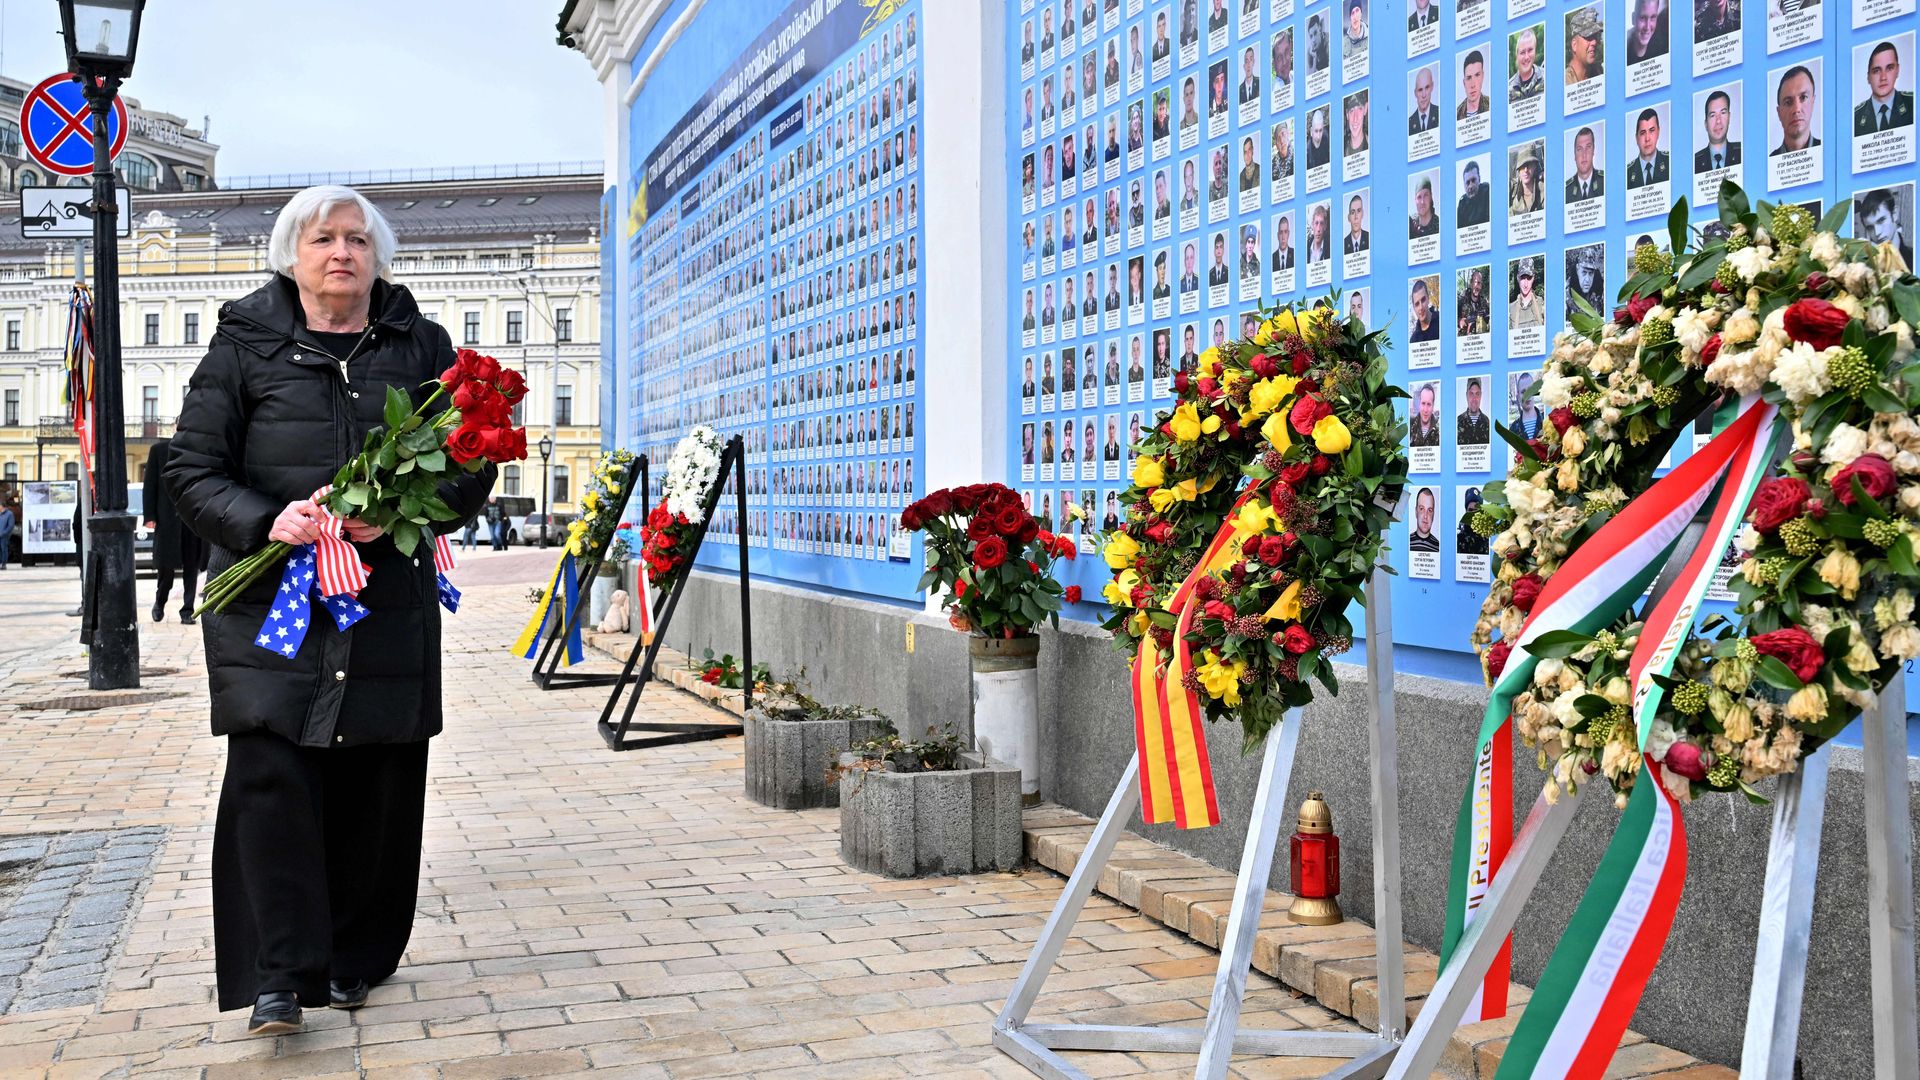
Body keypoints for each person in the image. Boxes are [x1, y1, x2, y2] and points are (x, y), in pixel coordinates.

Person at [166, 186, 495, 1036]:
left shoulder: (421, 345)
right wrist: (264, 521)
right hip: (272, 599)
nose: (341, 252)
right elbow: (190, 470)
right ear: (293, 254)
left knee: (375, 785)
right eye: (324, 239)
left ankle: (354, 958)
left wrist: (402, 514)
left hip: (383, 601)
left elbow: (471, 462)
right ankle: (278, 976)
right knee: (271, 782)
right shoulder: (243, 345)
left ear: (377, 257)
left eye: (357, 239)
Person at [143, 433, 207, 624]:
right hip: (167, 520)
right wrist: (150, 516)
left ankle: (187, 610)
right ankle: (159, 602)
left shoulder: (199, 450)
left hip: (191, 519)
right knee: (166, 569)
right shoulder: (159, 451)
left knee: (191, 566)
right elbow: (150, 484)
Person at [1855, 42, 1913, 135]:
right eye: (1876, 71)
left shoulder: (1913, 103)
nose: (1883, 77)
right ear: (1868, 77)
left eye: (1889, 68)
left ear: (1897, 70)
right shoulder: (1855, 117)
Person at [1772, 65, 1820, 155]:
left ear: (1813, 102)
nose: (1796, 109)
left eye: (1803, 97)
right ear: (1779, 113)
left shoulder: (1827, 150)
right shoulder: (1768, 162)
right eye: (1788, 102)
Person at [1695, 90, 1741, 171]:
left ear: (1729, 117)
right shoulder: (1695, 162)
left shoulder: (1742, 152)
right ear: (1706, 124)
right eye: (1713, 115)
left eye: (1723, 113)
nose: (1718, 121)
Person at [1627, 107, 1669, 187]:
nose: (1647, 138)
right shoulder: (1627, 173)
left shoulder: (1669, 161)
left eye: (1652, 130)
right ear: (1636, 138)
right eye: (1643, 133)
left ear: (1658, 132)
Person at [1567, 126, 1605, 199]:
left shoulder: (1604, 181)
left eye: (1588, 147)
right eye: (1579, 149)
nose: (1584, 154)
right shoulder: (1566, 191)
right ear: (1575, 154)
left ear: (1593, 150)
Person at [1626, 0, 1667, 64]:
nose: (1647, 27)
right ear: (1633, 19)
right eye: (1642, 18)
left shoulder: (1662, 46)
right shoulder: (1623, 49)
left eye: (1653, 17)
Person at [1509, 27, 1545, 100]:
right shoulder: (1508, 89)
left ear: (1535, 51)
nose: (1526, 57)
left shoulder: (1547, 77)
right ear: (1517, 55)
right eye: (1522, 52)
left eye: (1530, 50)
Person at [1567, 7, 1603, 82]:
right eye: (1588, 37)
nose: (1594, 42)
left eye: (1595, 36)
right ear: (1574, 45)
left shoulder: (1600, 71)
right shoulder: (1565, 81)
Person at [1510, 263, 1547, 329]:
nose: (1526, 284)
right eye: (1523, 278)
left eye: (1529, 278)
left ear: (1533, 278)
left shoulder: (1543, 304)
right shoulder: (1510, 310)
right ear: (1518, 278)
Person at [1457, 159, 1490, 225]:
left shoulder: (1487, 191)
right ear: (1464, 184)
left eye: (1473, 180)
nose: (1471, 186)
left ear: (1479, 179)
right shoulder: (1462, 202)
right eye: (1467, 182)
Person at [1457, 49, 1488, 118]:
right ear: (1464, 83)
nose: (1473, 85)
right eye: (1468, 78)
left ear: (1483, 76)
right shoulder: (1456, 114)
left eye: (1477, 75)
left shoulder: (1492, 105)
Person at [1458, 378, 1489, 445]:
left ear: (1481, 395)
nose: (1474, 399)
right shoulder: (1457, 422)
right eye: (1471, 393)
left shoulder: (1487, 422)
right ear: (1466, 395)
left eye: (1477, 394)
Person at [1457, 488, 1489, 555]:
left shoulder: (1488, 538)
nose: (1473, 514)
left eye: (1476, 510)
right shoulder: (1458, 539)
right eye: (1470, 510)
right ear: (1466, 511)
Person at [1409, 488, 1441, 552]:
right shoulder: (1406, 542)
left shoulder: (1439, 547)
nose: (1425, 516)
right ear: (1416, 512)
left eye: (1429, 510)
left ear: (1433, 514)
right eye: (1421, 509)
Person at [1410, 67, 1440, 133]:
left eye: (1427, 87)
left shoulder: (1440, 113)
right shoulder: (1409, 123)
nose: (1424, 95)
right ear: (1415, 93)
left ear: (1432, 87)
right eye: (1420, 90)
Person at [0, 498, 12, 570]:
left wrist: (4, 533)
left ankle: (4, 564)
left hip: (4, 536)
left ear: (2, 506)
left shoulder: (9, 514)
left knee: (3, 549)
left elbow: (10, 526)